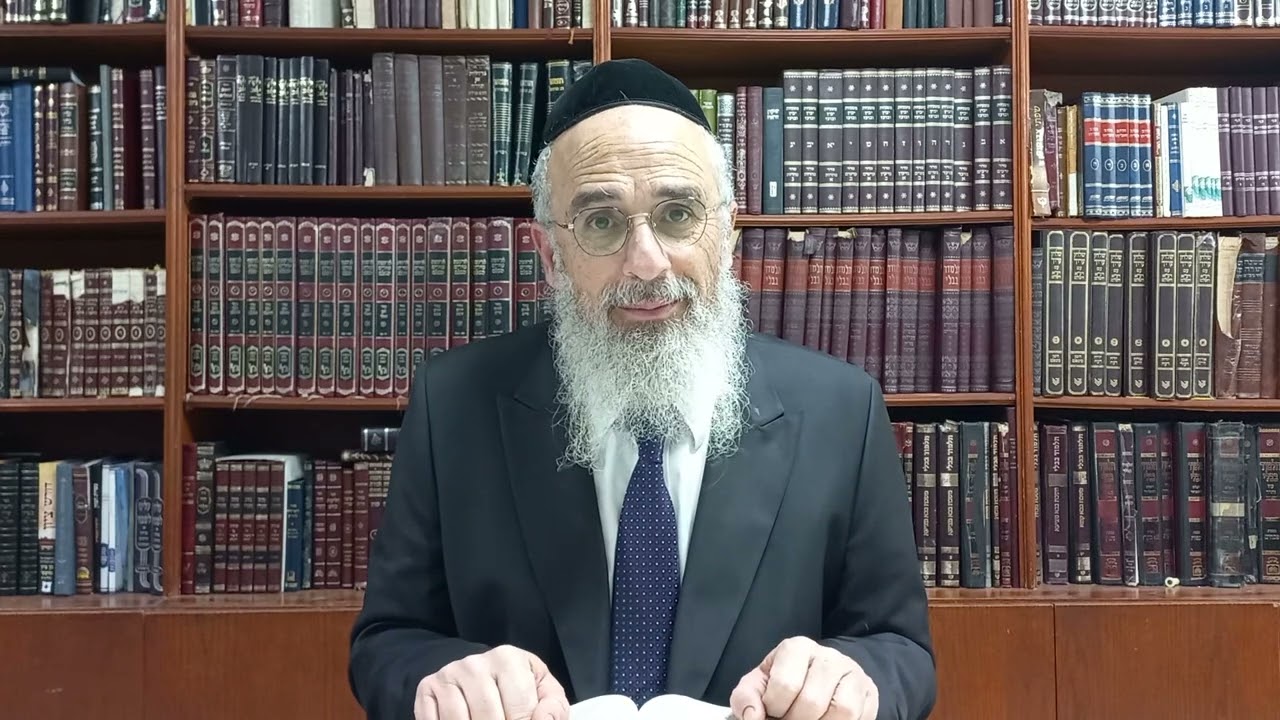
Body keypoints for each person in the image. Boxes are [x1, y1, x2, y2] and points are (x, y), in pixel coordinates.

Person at [347, 58, 936, 720]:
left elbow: (900, 648)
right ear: (551, 255)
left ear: (727, 235)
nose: (647, 263)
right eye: (601, 222)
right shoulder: (452, 405)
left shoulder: (842, 410)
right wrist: (440, 679)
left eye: (678, 214)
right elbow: (388, 641)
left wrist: (853, 682)